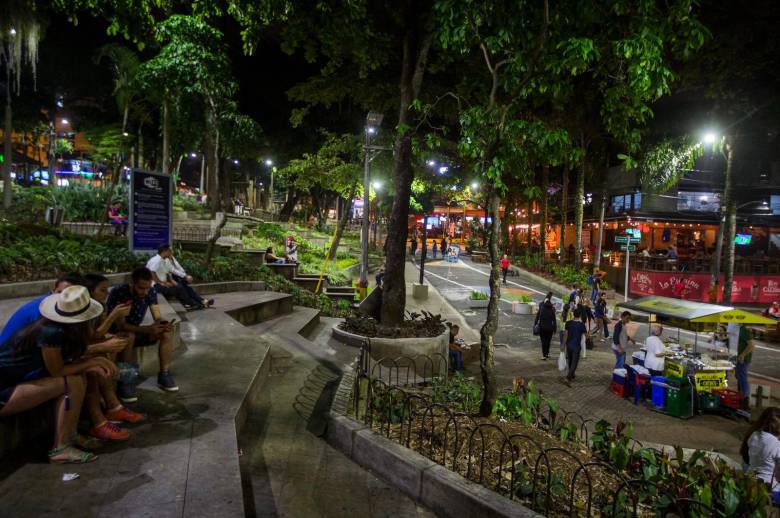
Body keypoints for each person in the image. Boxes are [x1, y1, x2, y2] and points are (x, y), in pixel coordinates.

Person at [0, 286, 120, 463]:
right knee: (71, 382)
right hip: (4, 390)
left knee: (79, 376)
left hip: (18, 383)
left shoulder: (61, 329)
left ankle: (70, 435)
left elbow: (69, 360)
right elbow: (57, 370)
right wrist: (92, 363)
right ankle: (61, 447)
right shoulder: (51, 332)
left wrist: (94, 361)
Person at [83, 274, 146, 433]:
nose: (107, 293)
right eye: (102, 290)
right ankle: (109, 410)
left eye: (107, 290)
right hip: (79, 352)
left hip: (88, 346)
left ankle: (124, 387)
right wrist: (114, 315)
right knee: (99, 362)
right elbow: (93, 337)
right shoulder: (84, 309)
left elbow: (100, 335)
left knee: (126, 339)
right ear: (89, 291)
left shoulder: (100, 306)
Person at [106, 267, 178, 402]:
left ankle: (164, 374)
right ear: (132, 283)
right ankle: (126, 381)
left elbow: (157, 316)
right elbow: (121, 326)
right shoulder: (119, 292)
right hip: (118, 333)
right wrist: (148, 329)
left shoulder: (150, 291)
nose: (145, 292)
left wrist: (163, 324)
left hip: (138, 331)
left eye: (147, 288)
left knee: (166, 333)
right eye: (141, 288)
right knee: (129, 336)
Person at [0, 273, 83, 347]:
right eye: (59, 292)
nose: (61, 297)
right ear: (53, 291)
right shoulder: (44, 313)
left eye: (67, 295)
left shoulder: (50, 305)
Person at [741, 407, 780, 503]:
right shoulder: (776, 445)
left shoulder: (753, 435)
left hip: (749, 484)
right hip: (770, 492)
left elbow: (746, 460)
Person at [147, 244, 204, 310]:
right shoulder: (156, 260)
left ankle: (189, 304)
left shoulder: (163, 260)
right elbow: (151, 272)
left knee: (178, 286)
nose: (171, 253)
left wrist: (172, 281)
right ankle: (191, 304)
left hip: (161, 284)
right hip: (155, 286)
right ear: (164, 251)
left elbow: (168, 272)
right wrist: (161, 283)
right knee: (179, 288)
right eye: (169, 251)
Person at [562, 309, 587, 385]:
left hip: (569, 345)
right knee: (574, 363)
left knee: (570, 360)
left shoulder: (568, 323)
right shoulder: (582, 325)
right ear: (580, 315)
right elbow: (586, 335)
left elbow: (565, 335)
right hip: (576, 346)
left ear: (573, 314)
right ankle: (568, 377)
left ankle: (572, 374)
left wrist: (563, 345)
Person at [736, 323, 754, 409]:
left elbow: (751, 345)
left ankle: (745, 400)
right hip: (739, 358)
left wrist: (742, 355)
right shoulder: (739, 330)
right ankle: (741, 397)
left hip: (743, 359)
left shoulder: (743, 330)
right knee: (739, 377)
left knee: (742, 378)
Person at [534, 293, 557, 360]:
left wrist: (535, 325)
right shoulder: (552, 310)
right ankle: (547, 353)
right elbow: (554, 320)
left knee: (543, 341)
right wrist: (555, 329)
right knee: (548, 341)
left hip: (542, 327)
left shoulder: (542, 309)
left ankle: (544, 355)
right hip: (550, 328)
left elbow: (537, 317)